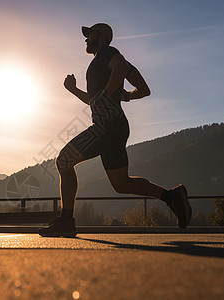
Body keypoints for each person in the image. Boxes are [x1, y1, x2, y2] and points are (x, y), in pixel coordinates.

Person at [39, 23, 191, 237]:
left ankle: (66, 221)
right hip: (115, 126)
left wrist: (109, 93)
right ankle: (172, 197)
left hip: (106, 126)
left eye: (90, 34)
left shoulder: (107, 53)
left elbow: (119, 67)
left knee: (64, 160)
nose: (86, 39)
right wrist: (81, 91)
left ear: (102, 37)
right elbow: (143, 90)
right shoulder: (104, 62)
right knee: (121, 183)